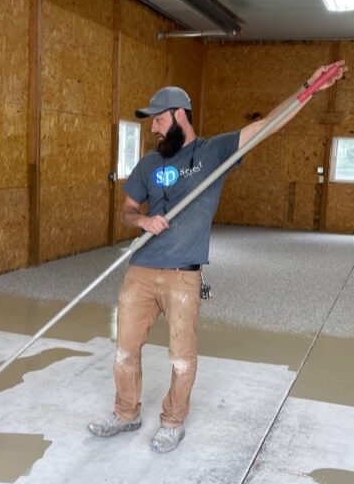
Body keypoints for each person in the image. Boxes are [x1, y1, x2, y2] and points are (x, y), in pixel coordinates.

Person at [88, 60, 347, 454]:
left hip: (183, 275)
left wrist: (308, 86)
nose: (153, 128)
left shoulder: (215, 152)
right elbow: (125, 210)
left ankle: (173, 422)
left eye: (157, 120)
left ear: (178, 116)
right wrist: (142, 219)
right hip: (140, 271)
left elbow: (269, 126)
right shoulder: (148, 164)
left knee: (181, 357)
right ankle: (126, 414)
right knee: (124, 348)